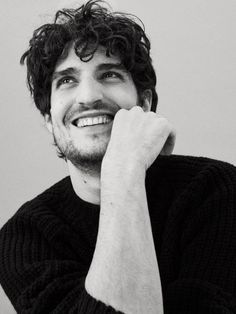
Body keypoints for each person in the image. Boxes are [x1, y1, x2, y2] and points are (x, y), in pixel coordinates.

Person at [1, 0, 236, 313]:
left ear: (145, 103)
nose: (88, 96)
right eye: (67, 80)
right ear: (49, 120)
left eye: (109, 74)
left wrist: (125, 170)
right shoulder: (25, 237)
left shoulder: (215, 191)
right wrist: (123, 171)